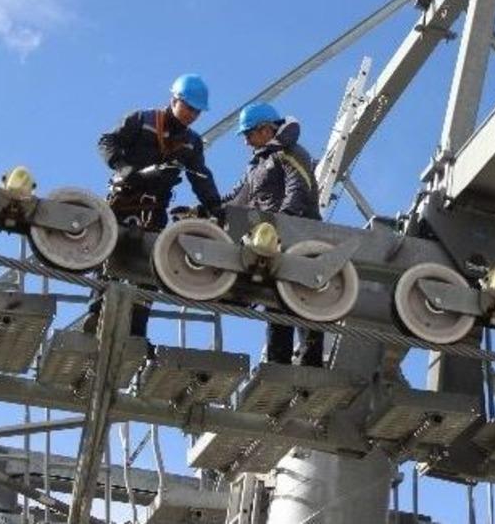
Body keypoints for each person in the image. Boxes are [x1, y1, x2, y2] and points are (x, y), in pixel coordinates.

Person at [83, 73, 223, 336]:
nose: (192, 115)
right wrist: (123, 168)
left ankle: (137, 329)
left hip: (153, 210)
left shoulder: (191, 142)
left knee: (151, 267)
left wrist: (215, 206)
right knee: (110, 255)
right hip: (124, 200)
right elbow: (107, 142)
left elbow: (200, 176)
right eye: (189, 108)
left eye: (197, 111)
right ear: (174, 100)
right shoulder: (142, 120)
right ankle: (95, 315)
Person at [224, 102, 325, 367]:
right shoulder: (256, 165)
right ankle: (278, 363)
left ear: (266, 129)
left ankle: (310, 362)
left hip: (298, 232)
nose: (246, 142)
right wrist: (207, 209)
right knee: (275, 300)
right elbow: (238, 197)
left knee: (304, 297)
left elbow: (298, 186)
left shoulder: (290, 152)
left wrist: (282, 221)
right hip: (270, 238)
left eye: (249, 135)